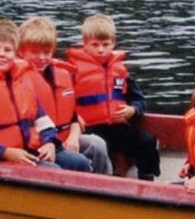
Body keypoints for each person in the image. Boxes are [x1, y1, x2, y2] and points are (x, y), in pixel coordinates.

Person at [0, 17, 92, 172]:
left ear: (15, 54)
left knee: (80, 162)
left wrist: (50, 142)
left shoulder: (23, 82)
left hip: (28, 151)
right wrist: (5, 153)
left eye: (7, 50)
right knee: (52, 170)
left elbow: (44, 122)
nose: (1, 54)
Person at [66, 13, 160, 181]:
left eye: (105, 44)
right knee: (102, 149)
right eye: (95, 45)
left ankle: (147, 179)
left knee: (146, 140)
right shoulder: (72, 71)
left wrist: (133, 110)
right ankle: (110, 181)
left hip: (117, 127)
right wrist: (74, 117)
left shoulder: (121, 71)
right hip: (90, 129)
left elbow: (140, 101)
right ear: (85, 44)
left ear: (113, 43)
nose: (101, 49)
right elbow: (62, 101)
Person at [18, 16, 113, 176]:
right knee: (60, 166)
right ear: (21, 51)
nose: (41, 58)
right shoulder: (17, 81)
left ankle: (106, 186)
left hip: (63, 138)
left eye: (46, 52)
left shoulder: (61, 75)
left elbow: (72, 116)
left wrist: (74, 136)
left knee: (96, 144)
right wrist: (50, 143)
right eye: (35, 52)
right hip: (37, 144)